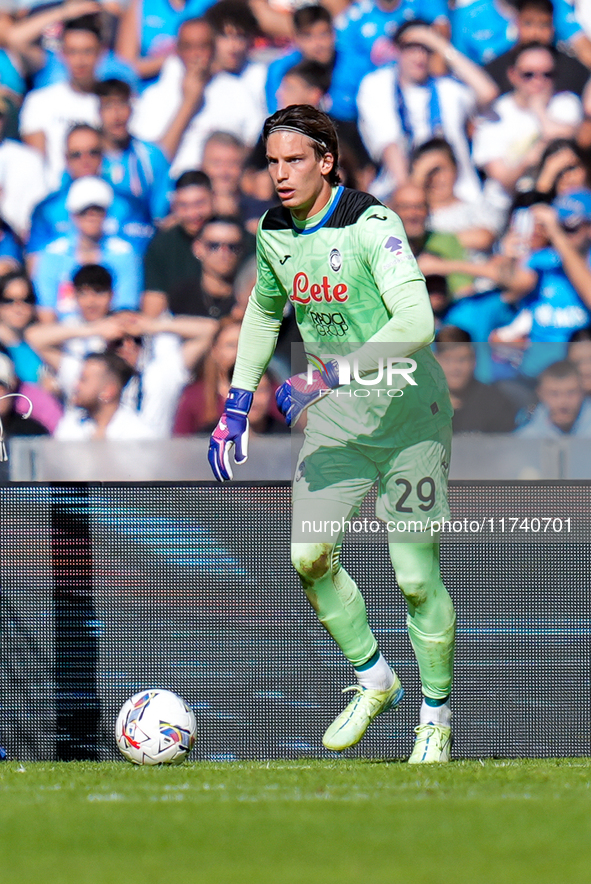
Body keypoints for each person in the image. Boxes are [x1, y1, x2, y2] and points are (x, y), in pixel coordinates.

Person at [208, 105, 456, 764]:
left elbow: (416, 323)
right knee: (307, 559)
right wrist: (237, 401)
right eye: (271, 161)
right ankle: (374, 677)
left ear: (325, 161)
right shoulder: (272, 232)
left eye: (293, 160)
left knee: (411, 577)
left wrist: (330, 374)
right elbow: (263, 312)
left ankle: (435, 714)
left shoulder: (373, 225)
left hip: (408, 418)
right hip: (340, 421)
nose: (279, 174)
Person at [356, 20, 498, 202]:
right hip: (401, 193)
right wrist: (410, 195)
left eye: (426, 49)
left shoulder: (448, 87)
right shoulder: (378, 84)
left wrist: (440, 45)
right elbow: (388, 143)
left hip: (457, 193)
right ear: (397, 50)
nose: (419, 57)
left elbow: (488, 92)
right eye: (411, 49)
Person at [130, 17, 262, 178]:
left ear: (213, 49)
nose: (196, 55)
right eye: (188, 47)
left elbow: (253, 146)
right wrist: (189, 103)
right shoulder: (154, 97)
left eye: (203, 46)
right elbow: (152, 161)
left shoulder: (238, 91)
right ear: (177, 50)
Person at [472, 42, 583, 212]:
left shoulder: (566, 103)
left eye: (547, 74)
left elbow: (571, 139)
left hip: (556, 203)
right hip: (504, 206)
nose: (538, 81)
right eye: (528, 74)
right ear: (512, 75)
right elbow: (503, 179)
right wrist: (528, 160)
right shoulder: (495, 115)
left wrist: (539, 110)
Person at [27, 124, 154, 261]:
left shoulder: (131, 205)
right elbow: (35, 264)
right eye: (77, 154)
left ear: (103, 155)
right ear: (66, 159)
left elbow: (140, 258)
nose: (85, 160)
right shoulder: (46, 209)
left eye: (93, 152)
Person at [32, 176, 143, 322]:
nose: (91, 216)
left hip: (109, 332)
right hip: (64, 334)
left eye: (97, 210)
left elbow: (126, 310)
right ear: (73, 215)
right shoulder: (52, 254)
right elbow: (46, 312)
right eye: (83, 211)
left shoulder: (124, 253)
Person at [19, 14, 103, 189]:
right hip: (55, 196)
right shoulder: (39, 102)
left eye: (87, 51)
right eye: (73, 52)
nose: (80, 61)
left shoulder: (114, 104)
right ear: (62, 54)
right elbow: (35, 165)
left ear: (100, 53)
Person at [96, 78, 171, 222]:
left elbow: (159, 213)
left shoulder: (151, 155)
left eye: (122, 104)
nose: (117, 115)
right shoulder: (86, 157)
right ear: (98, 113)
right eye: (108, 106)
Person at [142, 170, 213, 317]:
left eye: (199, 204)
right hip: (178, 325)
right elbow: (153, 304)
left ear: (214, 198)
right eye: (183, 206)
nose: (192, 214)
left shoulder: (234, 238)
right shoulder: (162, 245)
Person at [484, 0, 590, 97]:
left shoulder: (574, 71)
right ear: (517, 23)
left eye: (543, 25)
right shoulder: (495, 71)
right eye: (528, 23)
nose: (535, 33)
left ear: (553, 28)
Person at [54, 350, 159, 440]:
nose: (76, 386)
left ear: (108, 391)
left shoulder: (139, 436)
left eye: (84, 380)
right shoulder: (71, 425)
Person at [434, 329, 517, 433]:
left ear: (474, 360)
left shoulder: (496, 404)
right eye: (447, 360)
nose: (455, 368)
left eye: (462, 359)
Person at [516, 359, 591, 435]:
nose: (563, 402)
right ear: (541, 394)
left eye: (571, 393)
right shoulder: (527, 437)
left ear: (582, 392)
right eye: (554, 394)